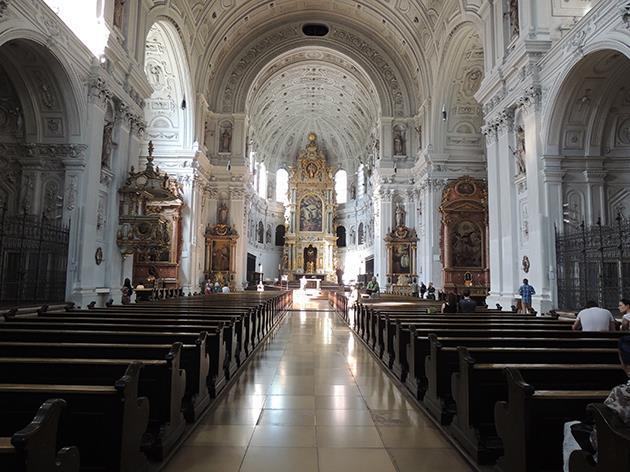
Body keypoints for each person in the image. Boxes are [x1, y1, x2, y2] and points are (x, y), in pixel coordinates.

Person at [563, 336, 630, 470]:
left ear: (624, 361)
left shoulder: (622, 393)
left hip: (621, 460)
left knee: (570, 427)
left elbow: (597, 440)